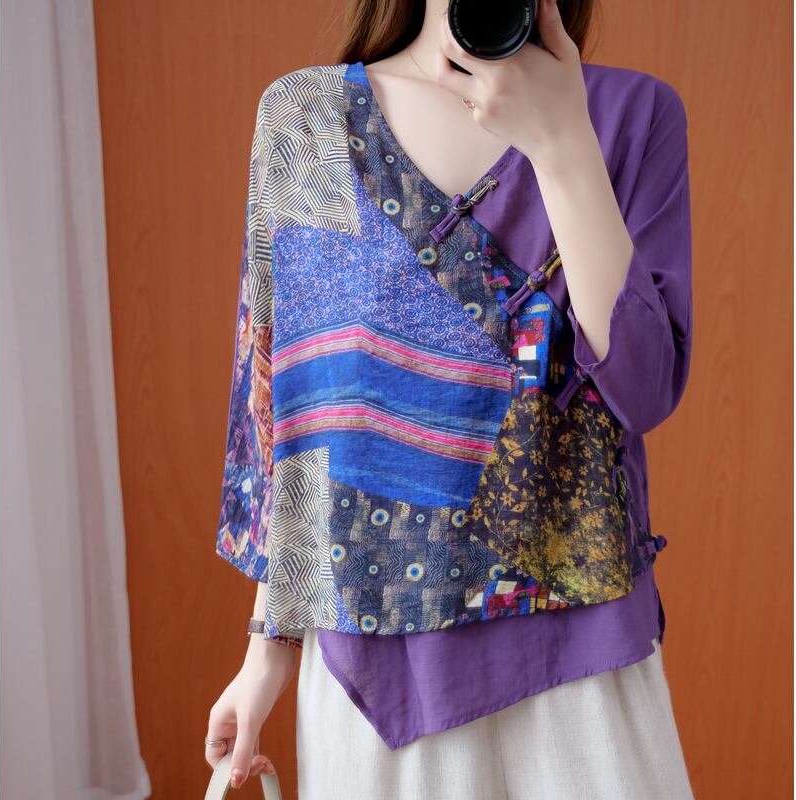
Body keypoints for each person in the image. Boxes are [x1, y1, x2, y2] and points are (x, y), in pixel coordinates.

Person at [205, 0, 695, 797]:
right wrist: (267, 652)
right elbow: (289, 413)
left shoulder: (631, 116)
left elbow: (643, 391)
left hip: (585, 666)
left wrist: (564, 144)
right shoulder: (307, 118)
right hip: (375, 671)